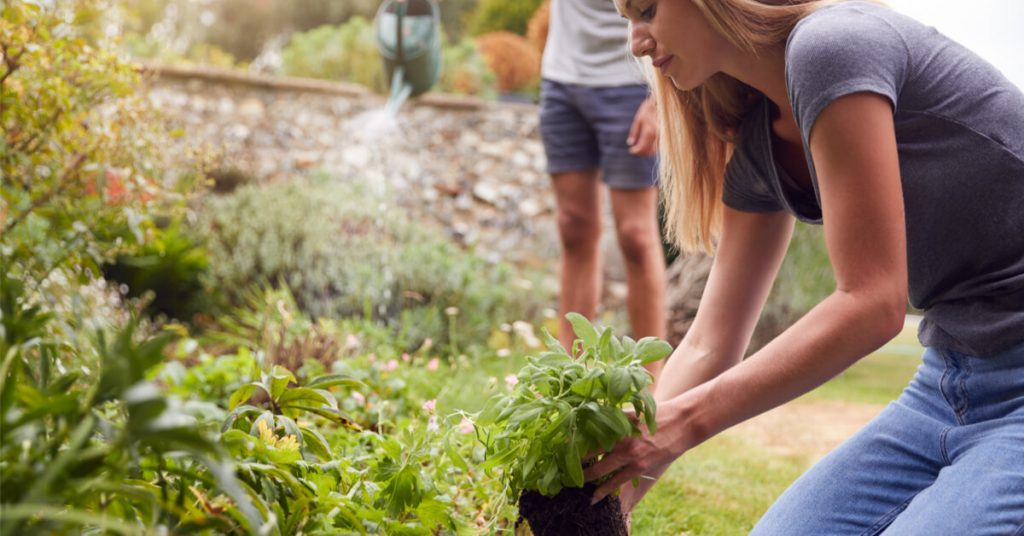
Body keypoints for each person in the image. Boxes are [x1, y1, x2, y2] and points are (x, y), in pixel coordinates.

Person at [582, 0, 1024, 532]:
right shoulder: (758, 145)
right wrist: (612, 491)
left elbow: (872, 303)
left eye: (647, 10)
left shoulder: (832, 46)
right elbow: (708, 344)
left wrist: (685, 423)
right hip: (950, 384)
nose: (636, 42)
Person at [539, 0, 668, 378]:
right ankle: (568, 376)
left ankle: (651, 382)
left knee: (635, 235)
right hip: (562, 77)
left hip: (633, 82)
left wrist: (660, 95)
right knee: (574, 226)